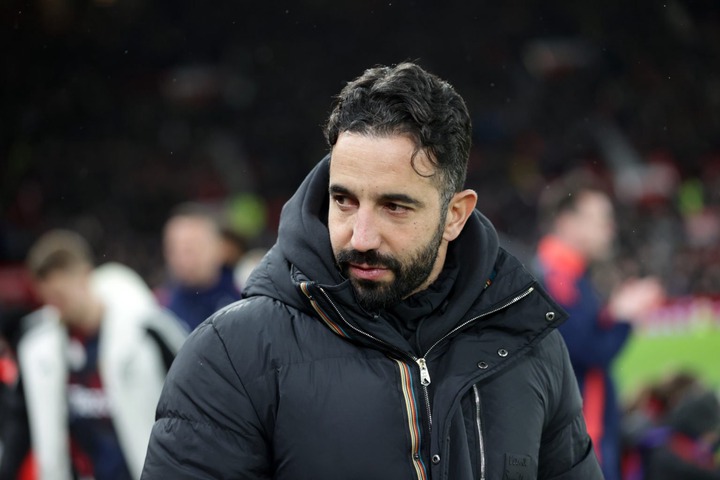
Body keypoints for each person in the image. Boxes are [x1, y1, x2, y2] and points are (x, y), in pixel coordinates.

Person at [142, 62, 603, 479]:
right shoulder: (230, 355)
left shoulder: (530, 344)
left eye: (394, 206)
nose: (360, 236)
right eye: (344, 200)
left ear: (455, 216)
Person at [9, 229, 188, 480]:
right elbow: (22, 423)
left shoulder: (147, 333)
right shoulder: (40, 351)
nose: (55, 308)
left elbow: (192, 403)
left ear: (84, 277)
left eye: (60, 295)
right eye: (47, 299)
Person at [534, 171, 665, 480]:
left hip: (579, 432)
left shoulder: (565, 273)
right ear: (568, 223)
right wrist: (623, 317)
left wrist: (613, 315)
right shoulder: (556, 277)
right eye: (601, 219)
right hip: (578, 436)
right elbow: (588, 350)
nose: (610, 228)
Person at [161, 203, 242, 330]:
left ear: (220, 248)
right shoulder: (160, 308)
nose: (182, 259)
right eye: (174, 249)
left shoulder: (243, 302)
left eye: (191, 249)